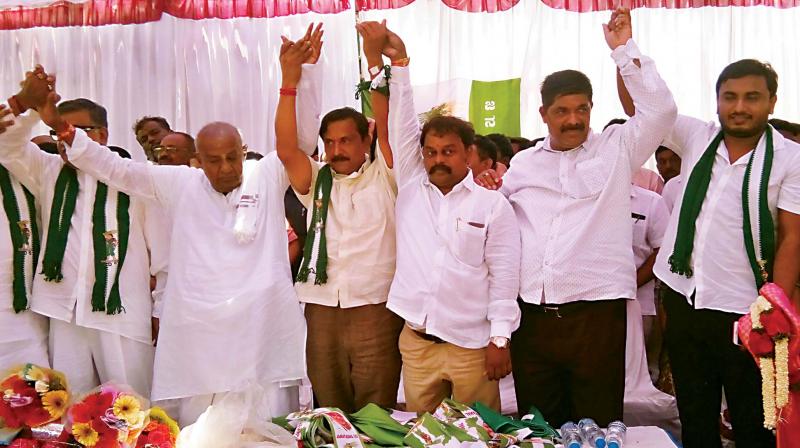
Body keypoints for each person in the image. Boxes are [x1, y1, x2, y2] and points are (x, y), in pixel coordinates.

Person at [27, 67, 308, 427]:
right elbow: (114, 168)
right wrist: (64, 131)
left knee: (266, 420)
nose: (225, 168)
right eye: (213, 159)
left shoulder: (265, 175)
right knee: (196, 424)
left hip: (260, 325)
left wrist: (296, 79)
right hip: (198, 330)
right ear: (198, 159)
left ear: (244, 151)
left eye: (232, 157)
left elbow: (297, 140)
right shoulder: (179, 182)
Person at [478, 8, 677, 427]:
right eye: (562, 111)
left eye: (581, 109)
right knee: (540, 425)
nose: (573, 120)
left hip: (596, 319)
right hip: (533, 319)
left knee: (598, 424)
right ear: (543, 114)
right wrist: (488, 191)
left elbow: (660, 112)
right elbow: (500, 217)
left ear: (591, 108)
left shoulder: (616, 150)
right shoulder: (524, 164)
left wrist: (624, 50)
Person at [641, 59, 799, 448]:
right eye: (730, 97)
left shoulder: (790, 159)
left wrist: (776, 308)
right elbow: (645, 105)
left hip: (748, 312)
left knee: (753, 422)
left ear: (772, 102)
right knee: (695, 417)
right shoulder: (697, 137)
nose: (740, 107)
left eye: (752, 97)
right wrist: (625, 50)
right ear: (717, 101)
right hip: (685, 300)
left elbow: (792, 237)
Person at [379, 23, 521, 413]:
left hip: (471, 348)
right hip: (417, 344)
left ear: (468, 153)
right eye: (431, 151)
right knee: (422, 436)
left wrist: (499, 340)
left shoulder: (492, 206)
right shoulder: (410, 188)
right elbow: (401, 125)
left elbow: (505, 279)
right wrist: (400, 65)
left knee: (478, 435)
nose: (437, 159)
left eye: (448, 151)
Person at [1, 74, 167, 398]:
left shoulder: (134, 179)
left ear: (102, 134)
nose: (65, 140)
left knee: (135, 410)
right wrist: (32, 108)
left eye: (76, 131)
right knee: (67, 410)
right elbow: (6, 145)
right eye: (57, 132)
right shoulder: (47, 171)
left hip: (122, 312)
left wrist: (160, 310)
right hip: (64, 311)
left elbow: (162, 257)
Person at [275, 22, 404, 413]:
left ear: (366, 140)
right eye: (329, 142)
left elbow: (390, 121)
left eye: (346, 140)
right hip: (320, 307)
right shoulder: (316, 179)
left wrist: (375, 59)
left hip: (374, 308)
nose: (336, 149)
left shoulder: (386, 175)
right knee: (329, 410)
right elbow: (285, 149)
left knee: (375, 410)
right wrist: (290, 80)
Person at [0, 103, 49, 369]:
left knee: (32, 397)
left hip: (23, 312)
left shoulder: (28, 178)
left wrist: (29, 107)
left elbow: (10, 140)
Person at [630, 184, 670, 382]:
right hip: (591, 308)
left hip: (640, 304)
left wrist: (631, 284)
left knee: (641, 376)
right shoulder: (585, 201)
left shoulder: (651, 202)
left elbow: (662, 251)